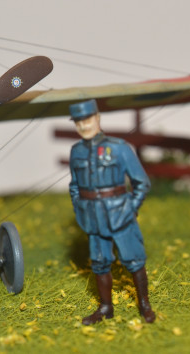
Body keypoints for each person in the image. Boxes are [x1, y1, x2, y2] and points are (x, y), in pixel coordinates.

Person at [68, 99, 156, 325]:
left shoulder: (119, 148)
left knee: (134, 260)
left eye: (87, 120)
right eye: (78, 122)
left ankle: (144, 304)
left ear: (97, 118)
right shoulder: (76, 152)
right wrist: (80, 208)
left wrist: (131, 208)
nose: (83, 126)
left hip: (120, 215)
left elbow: (141, 182)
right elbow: (74, 186)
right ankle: (105, 307)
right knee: (99, 263)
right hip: (93, 217)